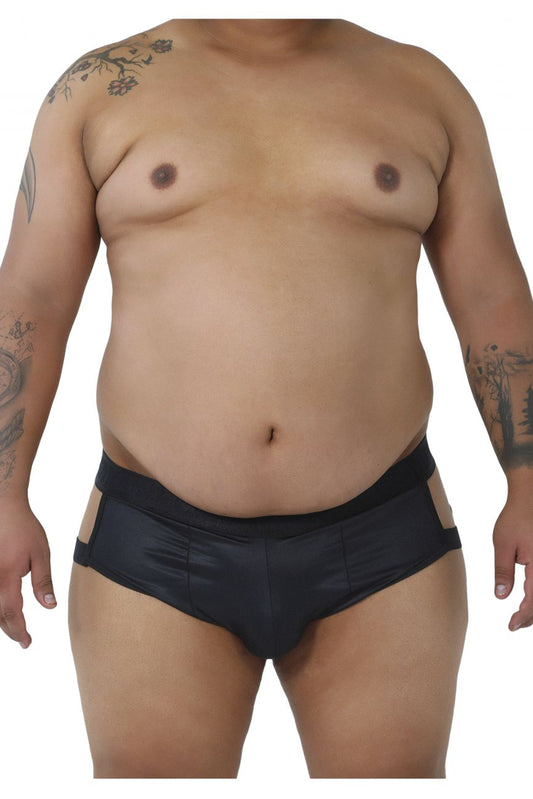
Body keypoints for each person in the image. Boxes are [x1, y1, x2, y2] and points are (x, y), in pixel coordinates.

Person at [0, 16, 531, 779]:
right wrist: (4, 493)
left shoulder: (422, 88)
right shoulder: (98, 90)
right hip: (155, 544)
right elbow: (32, 300)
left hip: (383, 541)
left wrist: (528, 483)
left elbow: (492, 300)